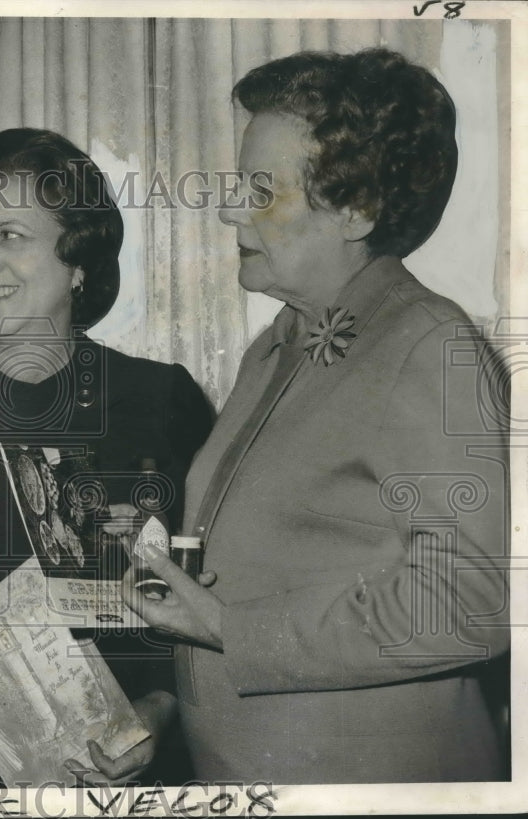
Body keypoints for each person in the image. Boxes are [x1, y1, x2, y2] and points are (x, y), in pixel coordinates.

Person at [123, 49, 510, 783]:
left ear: (356, 209)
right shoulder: (272, 350)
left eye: (260, 189)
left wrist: (230, 628)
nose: (229, 207)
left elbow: (473, 601)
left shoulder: (430, 342)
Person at [0, 127, 215, 786]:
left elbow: (210, 600)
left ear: (78, 258)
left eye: (10, 235)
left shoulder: (162, 400)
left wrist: (162, 711)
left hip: (125, 776)